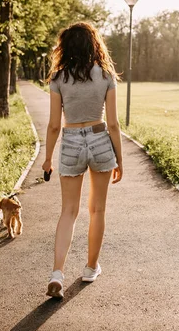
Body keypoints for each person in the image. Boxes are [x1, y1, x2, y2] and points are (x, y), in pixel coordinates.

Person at [41, 22, 123, 299]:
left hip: (72, 140)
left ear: (65, 47)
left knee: (68, 211)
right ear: (94, 44)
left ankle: (57, 274)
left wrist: (47, 158)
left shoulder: (58, 78)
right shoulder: (107, 75)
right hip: (100, 139)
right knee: (97, 209)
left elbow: (54, 125)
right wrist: (119, 160)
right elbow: (113, 123)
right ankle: (90, 268)